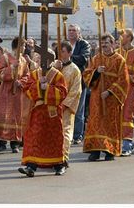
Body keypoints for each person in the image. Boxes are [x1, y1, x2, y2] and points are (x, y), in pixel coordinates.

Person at [18, 52, 68, 177]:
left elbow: (62, 93)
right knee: (34, 138)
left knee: (53, 140)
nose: (41, 61)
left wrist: (49, 88)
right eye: (39, 58)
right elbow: (27, 90)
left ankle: (59, 165)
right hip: (37, 112)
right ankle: (31, 166)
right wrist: (38, 85)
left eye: (43, 58)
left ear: (51, 60)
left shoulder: (58, 75)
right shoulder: (34, 74)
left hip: (52, 113)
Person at [83, 33, 129, 161]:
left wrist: (110, 91)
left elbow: (123, 81)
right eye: (102, 44)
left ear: (113, 44)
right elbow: (86, 75)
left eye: (107, 44)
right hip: (97, 97)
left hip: (111, 98)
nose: (104, 47)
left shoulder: (120, 60)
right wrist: (96, 72)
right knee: (96, 122)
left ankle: (110, 150)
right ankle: (95, 150)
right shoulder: (97, 58)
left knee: (110, 123)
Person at [0, 37, 29, 153]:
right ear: (17, 46)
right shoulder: (5, 57)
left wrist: (21, 82)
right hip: (6, 91)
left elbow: (27, 75)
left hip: (17, 93)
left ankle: (15, 143)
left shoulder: (23, 60)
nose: (24, 48)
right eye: (23, 46)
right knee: (3, 115)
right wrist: (12, 68)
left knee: (16, 117)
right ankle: (2, 142)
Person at [53, 41, 82, 170]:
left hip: (66, 108)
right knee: (54, 132)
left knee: (65, 133)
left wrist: (65, 104)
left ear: (69, 53)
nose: (60, 54)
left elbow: (76, 91)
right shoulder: (55, 67)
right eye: (59, 51)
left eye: (63, 51)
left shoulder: (75, 70)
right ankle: (53, 158)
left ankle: (63, 159)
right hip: (53, 106)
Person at [67, 24, 91, 144]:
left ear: (78, 33)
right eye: (70, 30)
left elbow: (83, 59)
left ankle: (77, 135)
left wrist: (69, 57)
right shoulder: (65, 44)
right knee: (66, 107)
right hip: (65, 80)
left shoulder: (84, 44)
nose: (71, 32)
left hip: (79, 80)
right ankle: (67, 133)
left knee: (78, 109)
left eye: (74, 30)